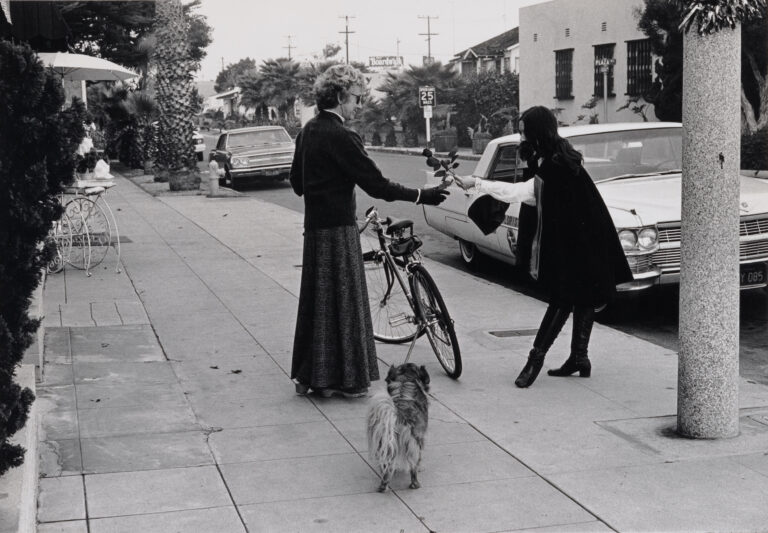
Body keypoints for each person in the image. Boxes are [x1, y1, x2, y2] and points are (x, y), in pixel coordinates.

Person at [289, 64, 449, 398]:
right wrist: (424, 196)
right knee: (345, 305)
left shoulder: (307, 132)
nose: (358, 106)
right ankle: (347, 382)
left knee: (318, 306)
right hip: (339, 231)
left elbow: (297, 185)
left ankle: (312, 377)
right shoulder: (343, 135)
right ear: (339, 96)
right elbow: (377, 185)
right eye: (356, 98)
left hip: (315, 230)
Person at [456, 106, 632, 388]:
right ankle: (579, 357)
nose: (521, 135)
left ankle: (534, 361)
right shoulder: (552, 154)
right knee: (582, 295)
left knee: (563, 298)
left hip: (581, 239)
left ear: (538, 131)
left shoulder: (556, 163)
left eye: (525, 130)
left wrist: (478, 183)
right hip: (580, 237)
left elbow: (524, 193)